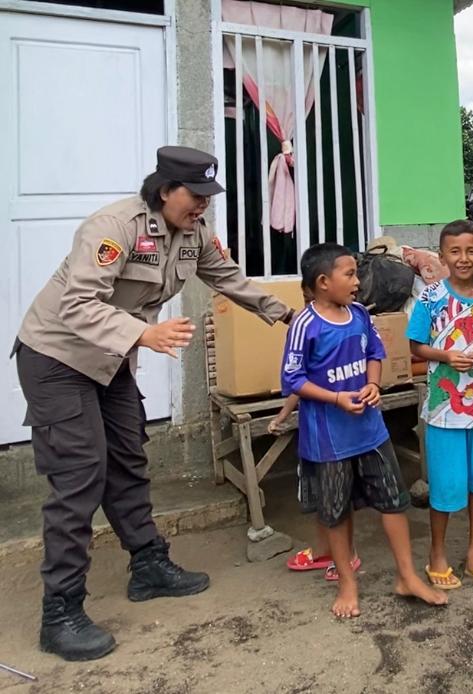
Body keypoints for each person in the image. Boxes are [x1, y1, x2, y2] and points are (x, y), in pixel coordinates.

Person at [14, 146, 298, 662]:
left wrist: (287, 315)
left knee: (127, 462)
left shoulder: (194, 233)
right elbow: (79, 303)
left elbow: (228, 278)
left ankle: (149, 566)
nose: (202, 208)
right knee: (80, 475)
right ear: (165, 190)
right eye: (195, 197)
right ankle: (60, 612)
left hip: (111, 359)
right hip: (57, 358)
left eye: (209, 199)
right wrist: (145, 335)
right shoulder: (113, 227)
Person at [280, 242, 447, 618]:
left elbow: (375, 354)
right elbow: (293, 379)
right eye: (350, 274)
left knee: (393, 501)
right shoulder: (304, 325)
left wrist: (373, 384)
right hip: (329, 441)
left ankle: (407, 576)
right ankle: (347, 583)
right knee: (336, 512)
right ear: (323, 282)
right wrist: (336, 399)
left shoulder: (359, 315)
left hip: (371, 432)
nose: (358, 282)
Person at [407, 220, 473, 591]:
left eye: (471, 251)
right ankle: (437, 554)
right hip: (444, 411)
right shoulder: (431, 297)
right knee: (446, 485)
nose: (463, 258)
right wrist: (446, 355)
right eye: (455, 251)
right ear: (442, 256)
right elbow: (415, 346)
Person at [270, 395, 362, 583]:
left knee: (340, 492)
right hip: (314, 427)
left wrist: (283, 415)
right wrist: (282, 415)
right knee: (321, 490)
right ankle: (325, 550)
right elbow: (299, 383)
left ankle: (348, 553)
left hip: (339, 427)